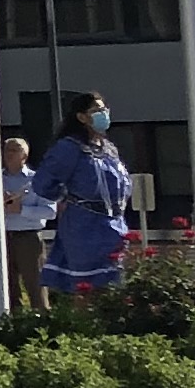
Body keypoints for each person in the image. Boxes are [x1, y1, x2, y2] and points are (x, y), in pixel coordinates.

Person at [40, 93, 134, 295]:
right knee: (86, 286)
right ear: (82, 117)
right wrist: (62, 198)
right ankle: (83, 324)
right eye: (97, 111)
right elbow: (43, 183)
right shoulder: (69, 148)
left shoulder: (108, 149)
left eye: (104, 110)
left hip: (115, 224)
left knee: (114, 284)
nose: (103, 114)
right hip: (84, 225)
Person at [0, 130, 55, 312]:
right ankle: (11, 324)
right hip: (1, 237)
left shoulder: (37, 181)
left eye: (14, 150)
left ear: (25, 155)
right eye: (7, 150)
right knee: (7, 286)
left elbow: (50, 212)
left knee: (35, 284)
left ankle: (43, 323)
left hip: (28, 238)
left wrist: (21, 210)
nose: (9, 154)